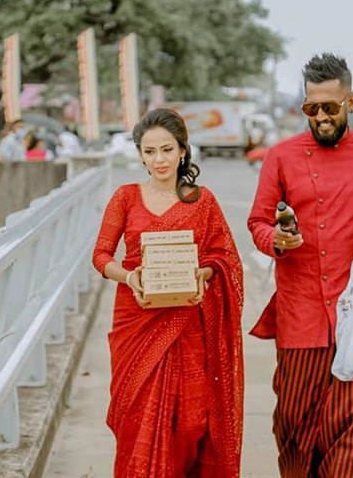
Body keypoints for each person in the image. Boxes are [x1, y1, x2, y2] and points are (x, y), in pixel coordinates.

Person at [247, 53, 353, 477]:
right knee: (293, 422)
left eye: (329, 108)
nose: (320, 117)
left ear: (350, 103)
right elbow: (258, 220)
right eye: (310, 108)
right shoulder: (281, 156)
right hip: (299, 314)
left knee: (349, 423)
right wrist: (276, 239)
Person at [92, 108, 245, 477]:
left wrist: (203, 273)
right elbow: (100, 256)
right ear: (140, 155)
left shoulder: (202, 201)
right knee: (138, 421)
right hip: (137, 321)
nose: (158, 159)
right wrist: (129, 277)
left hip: (188, 324)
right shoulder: (125, 198)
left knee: (192, 422)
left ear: (182, 150)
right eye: (149, 152)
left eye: (166, 149)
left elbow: (224, 258)